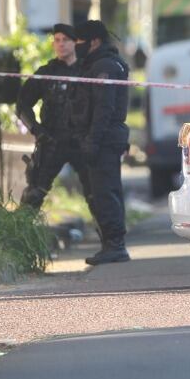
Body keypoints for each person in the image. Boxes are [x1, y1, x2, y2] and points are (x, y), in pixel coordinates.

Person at [67, 19, 131, 265]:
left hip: (103, 140)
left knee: (105, 193)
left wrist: (93, 141)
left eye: (80, 42)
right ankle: (111, 243)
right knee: (103, 192)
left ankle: (115, 245)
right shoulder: (98, 64)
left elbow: (104, 108)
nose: (77, 46)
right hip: (102, 139)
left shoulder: (104, 66)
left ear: (94, 41)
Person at [17, 24, 92, 211]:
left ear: (75, 43)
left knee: (96, 193)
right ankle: (21, 234)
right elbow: (22, 104)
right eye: (57, 40)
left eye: (65, 40)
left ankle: (109, 237)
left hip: (81, 141)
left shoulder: (87, 72)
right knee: (34, 194)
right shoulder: (46, 73)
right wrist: (36, 129)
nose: (61, 44)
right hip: (52, 140)